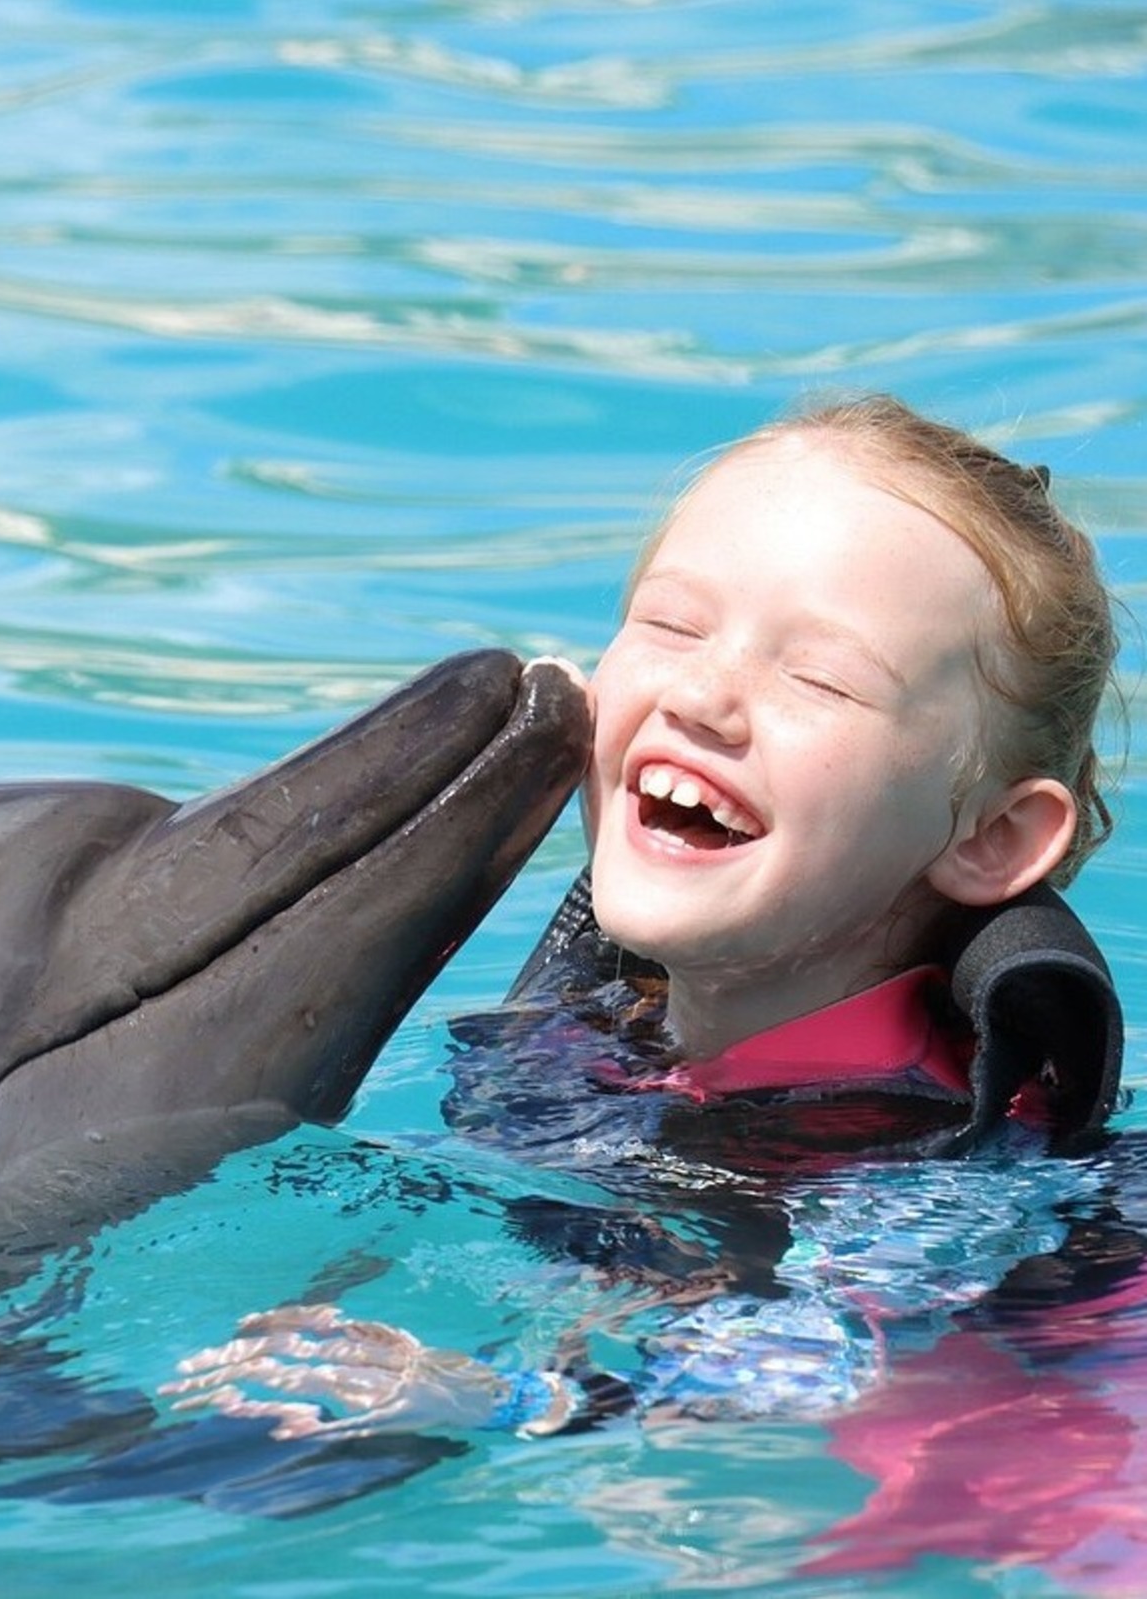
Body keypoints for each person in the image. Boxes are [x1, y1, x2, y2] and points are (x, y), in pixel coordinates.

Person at [159, 393, 1125, 1445]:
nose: (702, 695)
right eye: (670, 624)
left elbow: (799, 1383)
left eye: (820, 677)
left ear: (989, 836)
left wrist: (493, 1401)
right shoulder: (608, 1020)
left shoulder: (933, 1155)